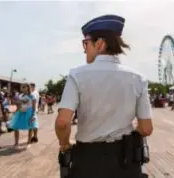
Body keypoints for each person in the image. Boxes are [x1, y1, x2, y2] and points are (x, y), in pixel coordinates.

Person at [55, 14, 153, 178]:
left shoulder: (77, 75)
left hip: (87, 161)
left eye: (85, 44)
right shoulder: (138, 79)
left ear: (99, 44)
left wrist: (64, 144)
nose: (84, 49)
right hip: (126, 162)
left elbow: (63, 123)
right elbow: (146, 128)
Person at [9, 84, 38, 148]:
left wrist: (33, 115)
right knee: (16, 127)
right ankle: (16, 143)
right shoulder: (20, 95)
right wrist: (15, 110)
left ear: (28, 88)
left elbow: (34, 106)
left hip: (29, 112)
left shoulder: (32, 95)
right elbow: (18, 104)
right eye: (21, 87)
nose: (22, 88)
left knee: (30, 127)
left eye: (24, 87)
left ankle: (29, 142)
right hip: (20, 111)